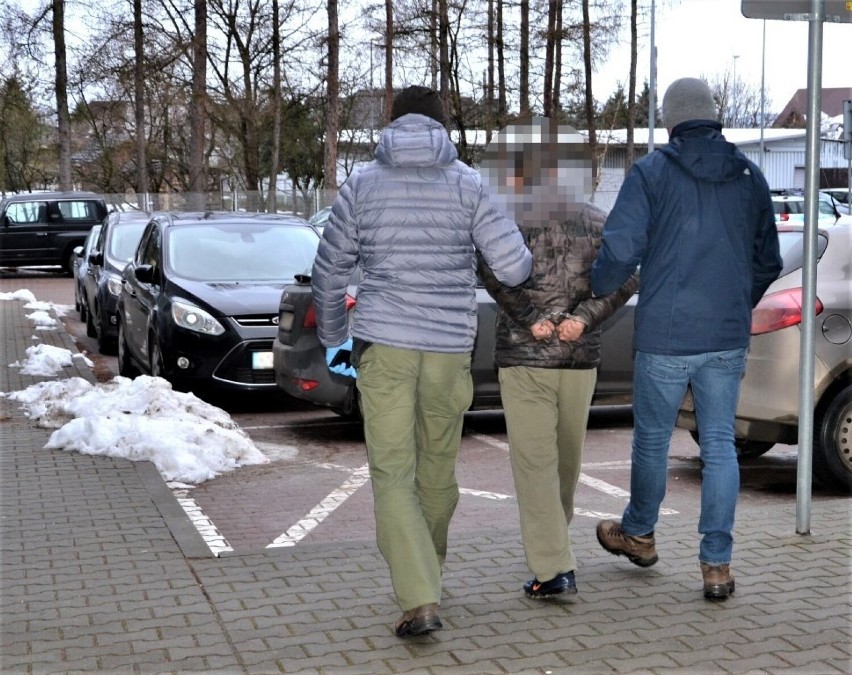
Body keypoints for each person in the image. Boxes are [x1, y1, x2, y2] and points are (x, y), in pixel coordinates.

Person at [310, 85, 532, 636]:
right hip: (449, 348)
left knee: (392, 471)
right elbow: (514, 268)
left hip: (384, 344)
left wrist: (336, 336)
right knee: (437, 469)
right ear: (441, 126)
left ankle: (419, 594)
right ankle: (427, 574)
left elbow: (329, 273)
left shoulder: (360, 185)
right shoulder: (468, 184)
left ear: (392, 125)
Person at [590, 77, 782, 601]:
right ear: (714, 116)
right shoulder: (748, 174)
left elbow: (621, 248)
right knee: (720, 445)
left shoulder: (652, 172)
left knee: (652, 440)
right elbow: (769, 260)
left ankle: (640, 534)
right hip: (725, 334)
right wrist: (735, 302)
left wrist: (595, 287)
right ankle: (717, 565)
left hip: (667, 335)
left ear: (670, 121)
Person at [477, 117, 638, 599]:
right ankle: (554, 562)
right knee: (562, 465)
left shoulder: (508, 220)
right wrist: (584, 320)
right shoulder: (596, 219)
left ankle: (553, 562)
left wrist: (531, 319)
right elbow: (627, 278)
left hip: (529, 358)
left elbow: (491, 274)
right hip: (577, 359)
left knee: (539, 467)